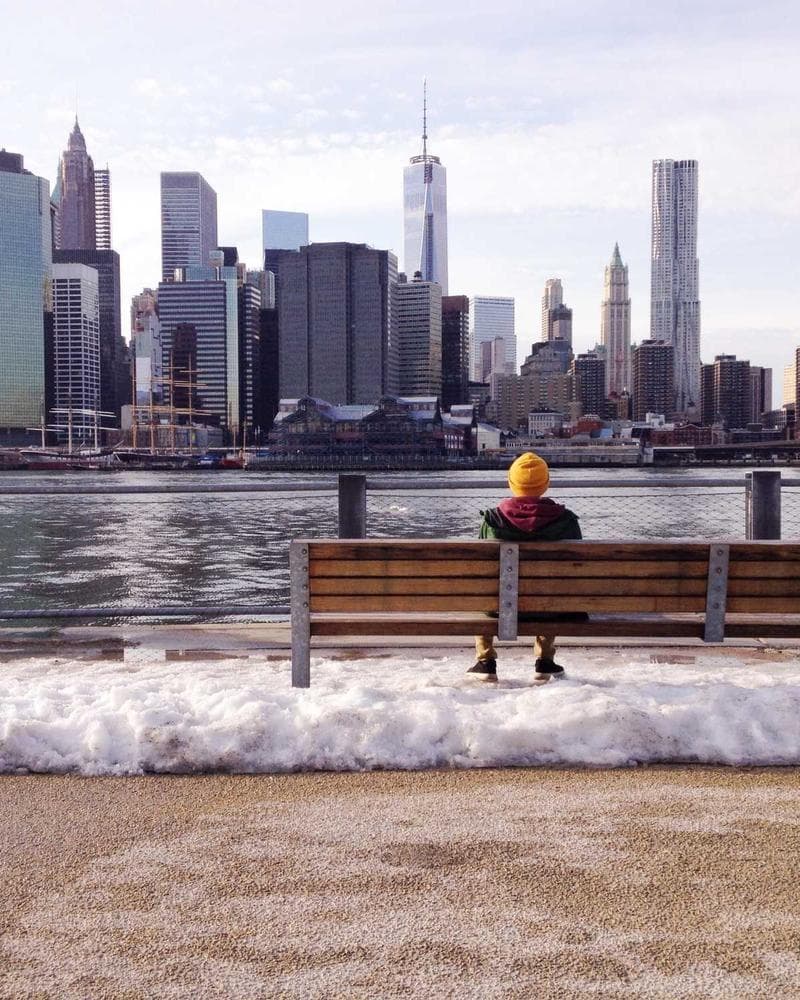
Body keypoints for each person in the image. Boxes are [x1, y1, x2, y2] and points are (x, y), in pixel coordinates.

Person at [468, 451, 582, 685]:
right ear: (546, 484)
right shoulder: (566, 521)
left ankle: (485, 661)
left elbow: (478, 571)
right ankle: (545, 661)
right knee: (553, 590)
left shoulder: (492, 520)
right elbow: (576, 569)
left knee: (483, 592)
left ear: (511, 483)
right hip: (549, 608)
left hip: (498, 608)